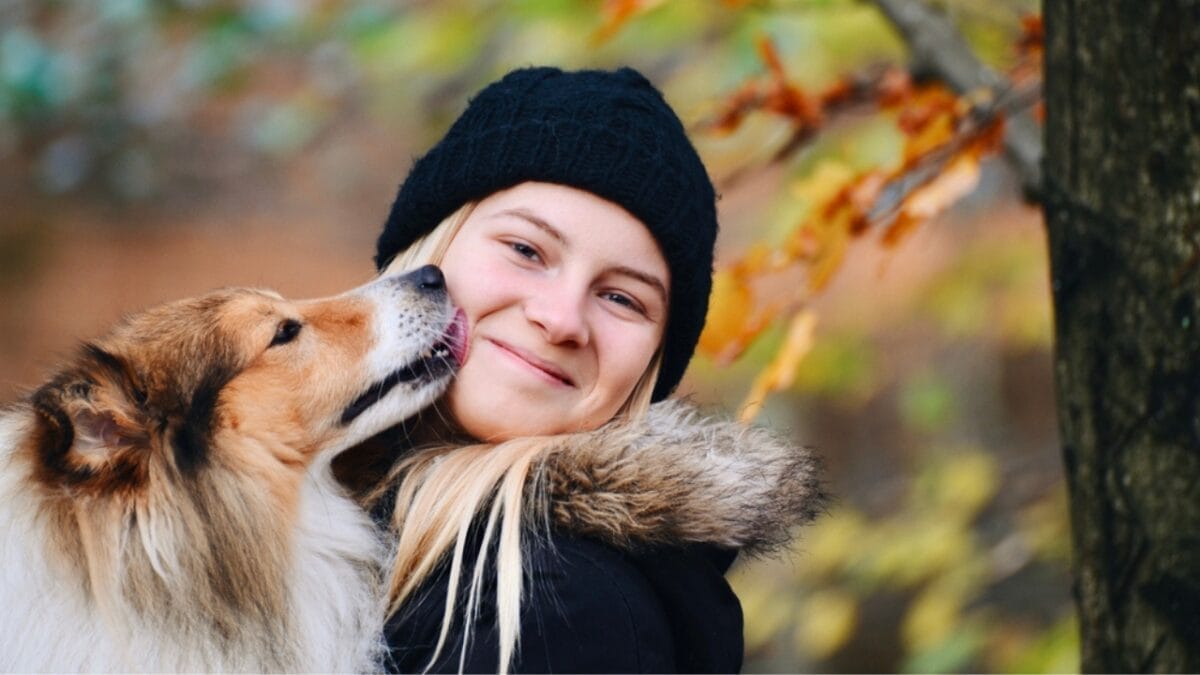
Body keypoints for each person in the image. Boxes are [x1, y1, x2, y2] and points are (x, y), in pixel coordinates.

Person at [345, 66, 824, 674]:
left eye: (622, 298)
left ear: (651, 365)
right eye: (526, 250)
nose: (562, 318)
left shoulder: (564, 610)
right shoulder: (278, 507)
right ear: (428, 252)